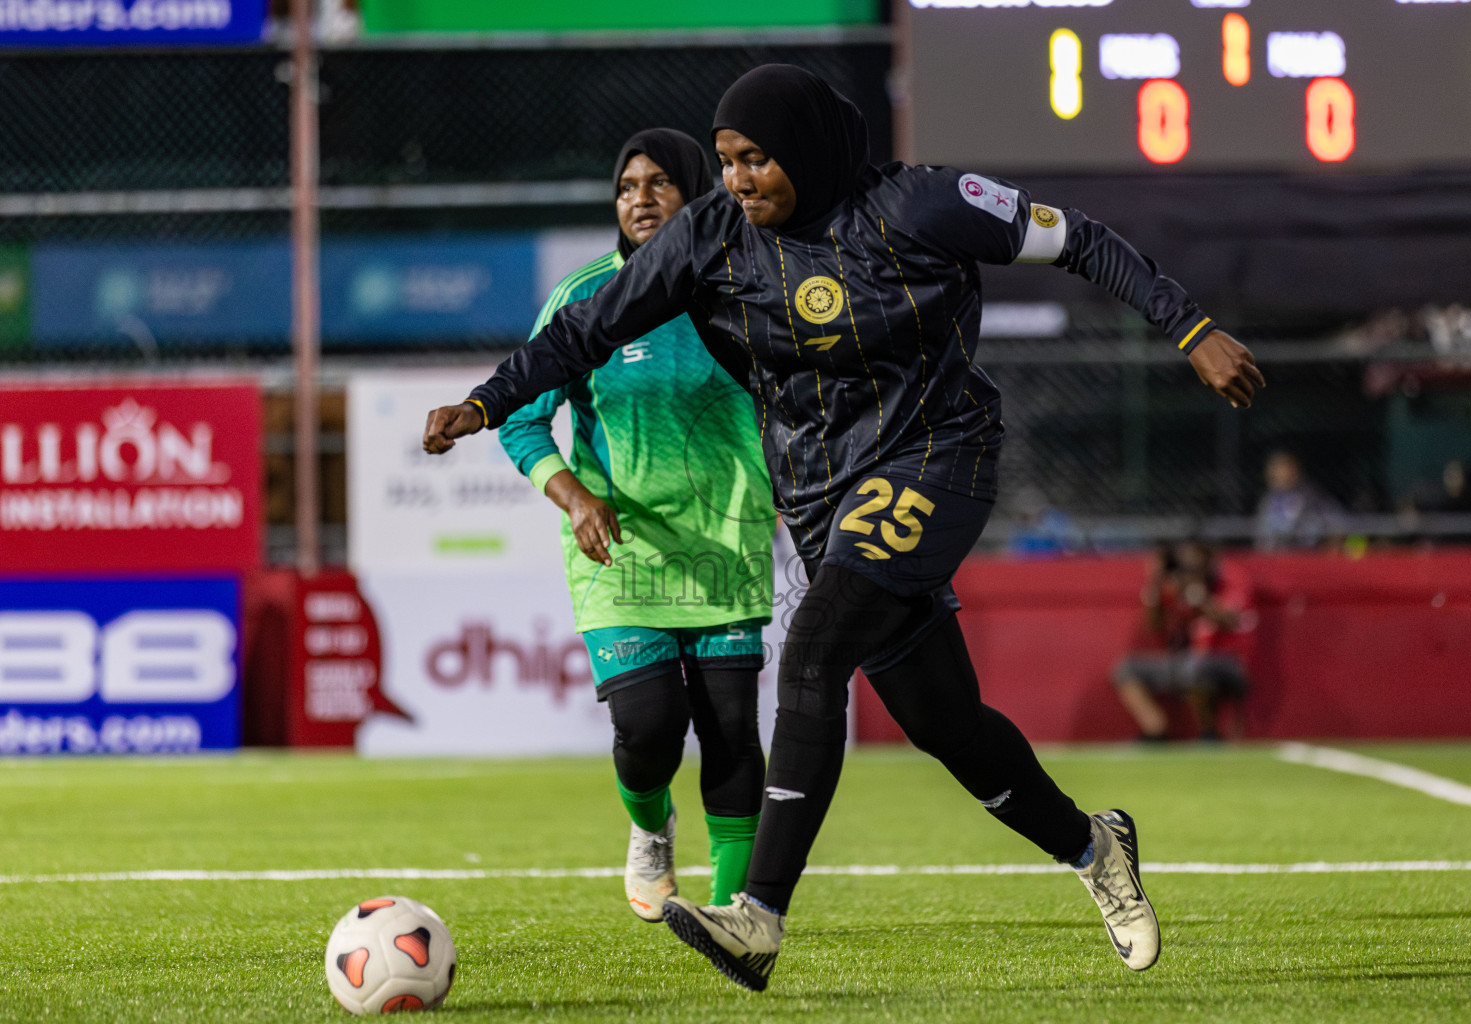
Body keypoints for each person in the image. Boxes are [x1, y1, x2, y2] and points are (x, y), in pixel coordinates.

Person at [424, 64, 1265, 991]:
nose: (741, 181)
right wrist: (484, 398)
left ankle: (759, 914)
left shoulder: (922, 205)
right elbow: (583, 331)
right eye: (727, 162)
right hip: (823, 495)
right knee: (946, 725)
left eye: (758, 160)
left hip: (938, 456)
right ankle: (1093, 846)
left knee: (815, 648)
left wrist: (1190, 330)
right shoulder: (708, 238)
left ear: (813, 149)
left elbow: (1081, 242)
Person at [496, 129, 777, 922]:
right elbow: (522, 421)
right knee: (650, 727)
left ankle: (729, 911)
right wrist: (576, 497)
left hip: (726, 542)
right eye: (627, 186)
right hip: (619, 548)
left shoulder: (749, 286)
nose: (641, 199)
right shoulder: (587, 297)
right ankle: (650, 828)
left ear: (699, 195)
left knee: (730, 730)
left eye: (660, 183)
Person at [1114, 541, 1254, 742]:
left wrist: (1197, 596)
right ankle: (1155, 730)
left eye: (1193, 563)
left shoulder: (1229, 577)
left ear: (1208, 560)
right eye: (1183, 563)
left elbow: (1229, 621)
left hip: (1230, 662)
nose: (1188, 568)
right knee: (1127, 668)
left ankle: (1210, 734)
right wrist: (1156, 583)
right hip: (1186, 660)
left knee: (1194, 666)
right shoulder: (1179, 585)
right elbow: (1154, 626)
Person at [1255, 449, 1345, 550]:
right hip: (1276, 558)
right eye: (1274, 467)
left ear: (1295, 469)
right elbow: (1262, 536)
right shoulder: (1268, 500)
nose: (1276, 472)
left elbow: (1339, 523)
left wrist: (1329, 553)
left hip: (1306, 556)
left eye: (1283, 467)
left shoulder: (1311, 496)